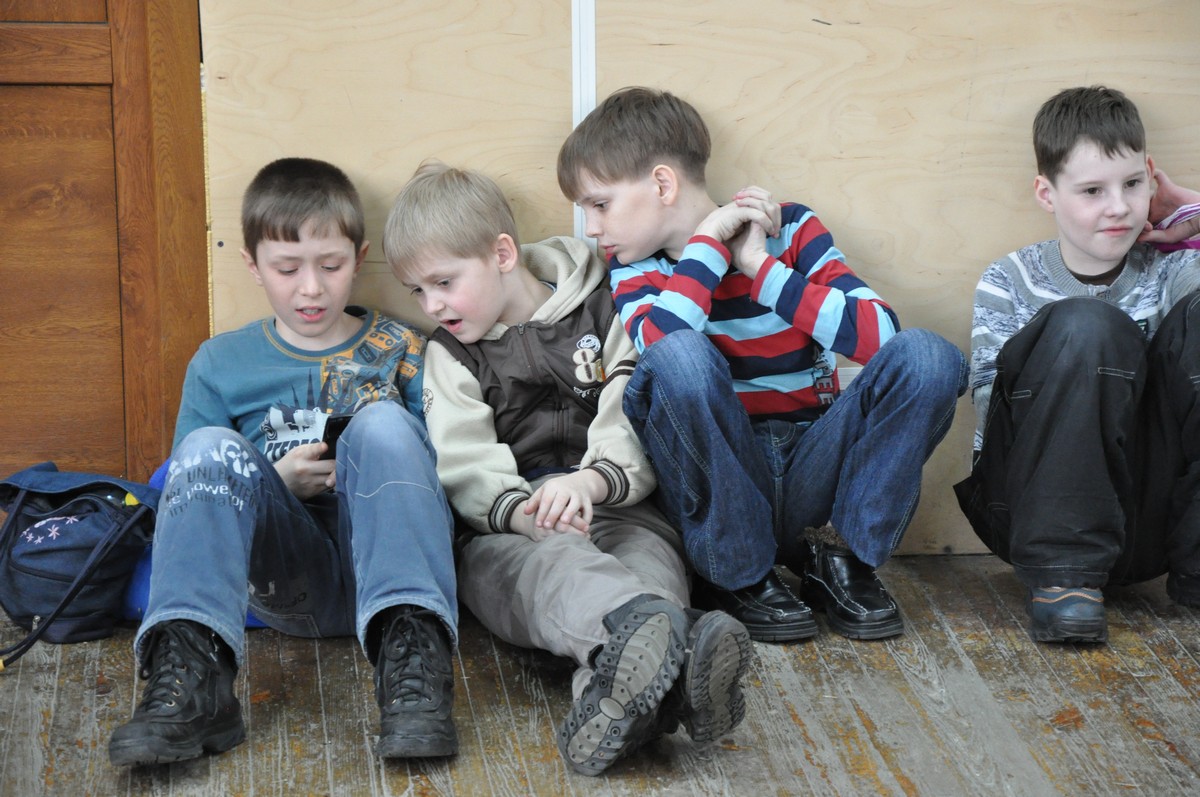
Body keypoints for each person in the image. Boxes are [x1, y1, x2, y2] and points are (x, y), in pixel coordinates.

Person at [555, 87, 969, 644]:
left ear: (662, 184)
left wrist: (758, 266)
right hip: (724, 479)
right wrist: (709, 244)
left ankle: (841, 560)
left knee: (928, 356)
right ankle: (738, 575)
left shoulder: (791, 230)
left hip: (813, 471)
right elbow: (663, 350)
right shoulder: (634, 268)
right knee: (678, 355)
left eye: (599, 205)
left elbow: (882, 337)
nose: (591, 227)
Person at [382, 162, 753, 776]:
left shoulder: (605, 305)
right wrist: (522, 515)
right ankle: (680, 672)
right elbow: (461, 458)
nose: (432, 304)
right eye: (417, 291)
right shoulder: (450, 355)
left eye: (443, 282)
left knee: (649, 578)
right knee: (569, 578)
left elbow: (631, 403)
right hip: (513, 532)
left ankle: (618, 699)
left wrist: (594, 480)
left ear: (503, 254)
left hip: (620, 506)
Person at [108, 158, 460, 766]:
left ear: (360, 257)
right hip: (289, 581)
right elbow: (185, 498)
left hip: (397, 565)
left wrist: (366, 466)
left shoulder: (406, 348)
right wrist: (274, 483)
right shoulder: (220, 363)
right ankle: (193, 683)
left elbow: (447, 471)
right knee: (206, 448)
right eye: (287, 268)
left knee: (383, 423)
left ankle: (416, 677)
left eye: (331, 266)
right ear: (253, 265)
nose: (311, 288)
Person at [954, 85, 1200, 643]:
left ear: (1151, 177)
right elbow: (992, 420)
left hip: (1149, 521)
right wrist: (1086, 359)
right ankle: (1064, 580)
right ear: (1047, 193)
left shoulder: (1173, 272)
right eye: (1092, 190)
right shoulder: (1009, 279)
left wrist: (1193, 215)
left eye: (1132, 184)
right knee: (1087, 325)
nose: (1119, 207)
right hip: (1034, 515)